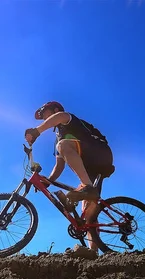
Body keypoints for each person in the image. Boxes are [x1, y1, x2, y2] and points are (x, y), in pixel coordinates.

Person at [24, 101, 114, 255]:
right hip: (91, 168)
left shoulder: (65, 119)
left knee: (63, 146)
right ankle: (93, 252)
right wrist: (49, 181)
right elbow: (59, 165)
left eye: (44, 113)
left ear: (55, 110)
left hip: (100, 152)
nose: (43, 117)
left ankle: (87, 187)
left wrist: (36, 131)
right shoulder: (59, 140)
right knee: (88, 212)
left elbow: (59, 117)